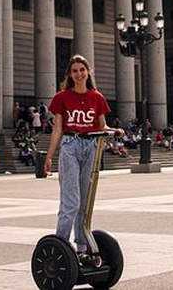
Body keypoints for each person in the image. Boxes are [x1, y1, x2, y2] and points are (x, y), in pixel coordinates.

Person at [43, 54, 124, 261]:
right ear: (70, 74)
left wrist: (115, 130)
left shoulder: (96, 97)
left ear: (88, 72)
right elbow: (58, 129)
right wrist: (49, 156)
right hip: (70, 145)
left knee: (85, 202)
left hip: (91, 147)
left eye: (82, 70)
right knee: (71, 201)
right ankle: (60, 246)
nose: (79, 74)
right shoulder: (62, 97)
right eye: (74, 71)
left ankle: (80, 247)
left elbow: (101, 126)